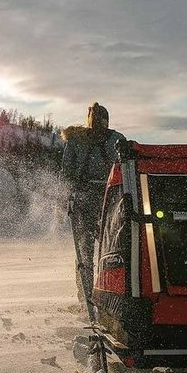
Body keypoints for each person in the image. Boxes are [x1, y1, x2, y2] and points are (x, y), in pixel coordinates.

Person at [61, 102, 125, 321]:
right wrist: (67, 197)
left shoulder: (116, 140)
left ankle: (106, 293)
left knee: (109, 251)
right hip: (86, 201)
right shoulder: (79, 140)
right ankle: (86, 296)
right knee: (86, 253)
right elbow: (67, 173)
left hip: (109, 202)